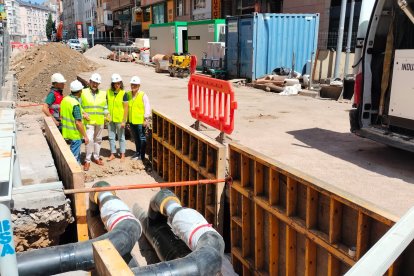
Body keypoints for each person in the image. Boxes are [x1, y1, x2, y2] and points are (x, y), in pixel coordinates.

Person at [81, 73, 107, 171]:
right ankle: (87, 160)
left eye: (97, 83)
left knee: (98, 140)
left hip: (100, 120)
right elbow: (79, 105)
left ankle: (96, 157)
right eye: (93, 82)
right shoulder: (83, 92)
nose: (95, 84)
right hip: (89, 121)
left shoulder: (103, 94)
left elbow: (105, 107)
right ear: (90, 82)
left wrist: (107, 114)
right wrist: (83, 113)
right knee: (89, 140)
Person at [60, 80, 89, 164]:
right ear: (80, 91)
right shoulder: (75, 103)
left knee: (72, 153)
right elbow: (78, 123)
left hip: (66, 132)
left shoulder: (65, 99)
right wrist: (85, 136)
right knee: (74, 158)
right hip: (75, 134)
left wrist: (82, 113)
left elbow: (65, 115)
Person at [127, 76, 151, 162]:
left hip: (140, 121)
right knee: (136, 138)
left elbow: (147, 107)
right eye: (132, 85)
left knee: (142, 138)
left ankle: (142, 155)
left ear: (139, 85)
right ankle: (137, 153)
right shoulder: (128, 94)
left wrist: (146, 119)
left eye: (135, 85)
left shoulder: (143, 95)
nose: (133, 86)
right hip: (132, 121)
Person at [107, 73, 128, 162]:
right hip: (110, 119)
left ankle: (122, 154)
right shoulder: (108, 92)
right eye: (115, 83)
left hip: (120, 120)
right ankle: (113, 153)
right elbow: (106, 104)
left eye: (119, 83)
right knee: (111, 137)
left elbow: (126, 108)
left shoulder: (124, 93)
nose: (117, 85)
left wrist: (124, 120)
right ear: (112, 84)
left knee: (121, 137)